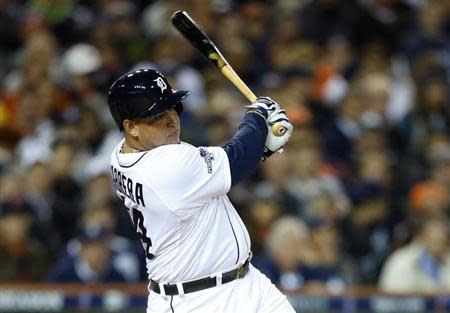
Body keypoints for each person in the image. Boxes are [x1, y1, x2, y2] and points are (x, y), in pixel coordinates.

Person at [107, 68, 294, 313]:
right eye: (157, 115)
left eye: (172, 107)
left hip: (248, 284)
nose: (171, 119)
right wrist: (258, 116)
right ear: (131, 127)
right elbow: (232, 160)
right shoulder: (164, 165)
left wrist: (260, 148)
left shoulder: (122, 153)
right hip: (196, 300)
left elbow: (205, 182)